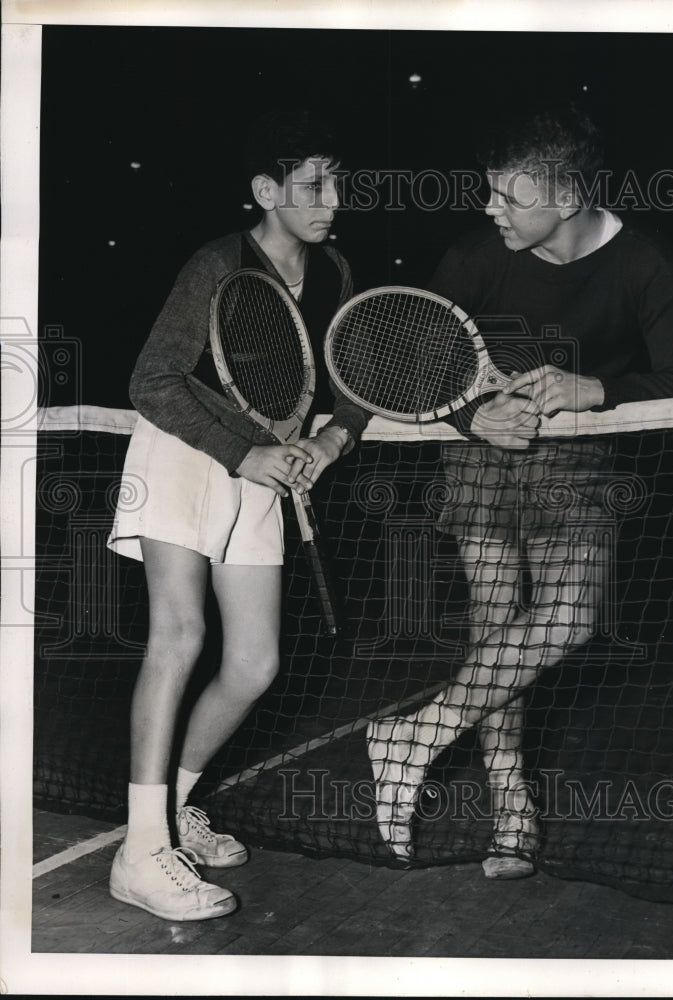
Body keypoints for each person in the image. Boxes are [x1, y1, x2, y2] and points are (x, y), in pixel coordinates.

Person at [366, 103, 673, 878]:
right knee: (496, 630)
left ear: (570, 196)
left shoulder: (644, 263)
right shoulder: (475, 254)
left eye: (508, 196)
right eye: (489, 192)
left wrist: (598, 388)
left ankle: (414, 735)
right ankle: (509, 807)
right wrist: (470, 414)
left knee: (571, 619)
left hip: (575, 466)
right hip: (483, 460)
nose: (490, 208)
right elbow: (407, 362)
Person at [107, 111, 368, 921]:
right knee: (179, 635)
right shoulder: (219, 262)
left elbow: (352, 382)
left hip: (267, 467)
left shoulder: (334, 273)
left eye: (338, 183)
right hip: (183, 453)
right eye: (313, 184)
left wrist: (328, 440)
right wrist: (243, 452)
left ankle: (171, 809)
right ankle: (141, 854)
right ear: (266, 191)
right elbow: (152, 380)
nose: (332, 198)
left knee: (254, 663)